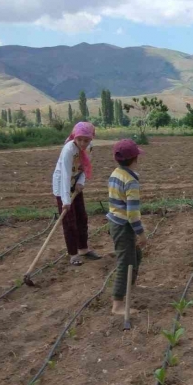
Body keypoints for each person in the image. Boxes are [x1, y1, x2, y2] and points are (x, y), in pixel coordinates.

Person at [52, 122, 101, 265]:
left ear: (91, 139)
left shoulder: (89, 148)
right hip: (63, 186)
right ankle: (73, 254)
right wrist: (65, 201)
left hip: (76, 183)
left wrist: (81, 182)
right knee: (69, 221)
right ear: (75, 137)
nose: (83, 143)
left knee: (82, 217)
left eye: (86, 140)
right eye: (80, 139)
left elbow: (85, 167)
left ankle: (83, 249)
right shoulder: (68, 150)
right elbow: (65, 175)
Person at [106, 139, 146, 315]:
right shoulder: (131, 181)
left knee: (136, 255)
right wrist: (141, 233)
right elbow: (132, 213)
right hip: (124, 226)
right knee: (125, 263)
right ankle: (118, 304)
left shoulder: (115, 174)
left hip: (114, 221)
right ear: (135, 158)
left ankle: (129, 287)